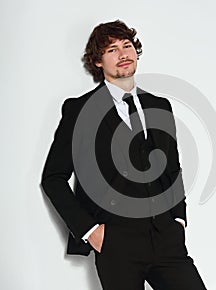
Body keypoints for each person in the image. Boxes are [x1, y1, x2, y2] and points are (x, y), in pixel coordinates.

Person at [41, 19, 207, 290]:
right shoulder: (79, 110)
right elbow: (53, 178)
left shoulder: (159, 105)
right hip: (116, 242)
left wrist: (178, 219)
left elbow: (172, 169)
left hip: (166, 238)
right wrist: (90, 232)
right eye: (111, 50)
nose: (122, 54)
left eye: (127, 46)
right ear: (98, 62)